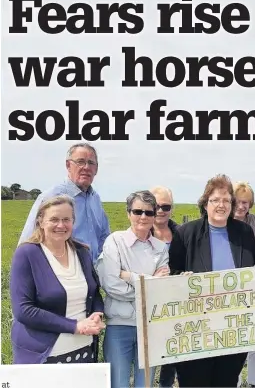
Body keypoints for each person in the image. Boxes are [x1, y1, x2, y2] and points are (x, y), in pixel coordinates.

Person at [169, 174, 255, 388]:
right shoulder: (186, 233)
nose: (221, 205)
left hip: (233, 328)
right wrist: (181, 279)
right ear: (205, 203)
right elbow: (173, 273)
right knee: (195, 381)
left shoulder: (244, 232)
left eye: (226, 200)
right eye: (215, 200)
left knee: (226, 381)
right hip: (196, 329)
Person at [10, 195, 105, 364]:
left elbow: (94, 292)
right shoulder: (27, 254)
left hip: (83, 349)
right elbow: (23, 310)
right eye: (54, 219)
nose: (61, 225)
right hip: (44, 355)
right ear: (40, 221)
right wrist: (74, 326)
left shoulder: (82, 252)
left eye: (66, 219)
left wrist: (97, 312)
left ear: (73, 222)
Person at [96, 190, 170, 388]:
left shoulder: (161, 248)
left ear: (155, 215)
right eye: (137, 211)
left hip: (150, 326)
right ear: (128, 213)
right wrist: (150, 284)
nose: (143, 217)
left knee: (144, 383)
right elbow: (112, 285)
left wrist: (129, 276)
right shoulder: (115, 241)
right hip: (120, 324)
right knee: (118, 383)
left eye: (149, 212)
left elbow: (161, 289)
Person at [18, 143, 110, 263]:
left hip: (92, 273)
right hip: (61, 272)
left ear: (96, 169)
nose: (86, 167)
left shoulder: (95, 199)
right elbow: (27, 242)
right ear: (68, 165)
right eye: (80, 162)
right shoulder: (52, 196)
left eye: (91, 163)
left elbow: (105, 238)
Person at [233, 181, 255, 388]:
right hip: (230, 289)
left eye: (246, 202)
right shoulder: (223, 222)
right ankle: (233, 380)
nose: (242, 206)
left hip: (254, 286)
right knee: (233, 338)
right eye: (238, 201)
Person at [150, 186, 179, 388]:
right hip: (150, 301)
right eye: (156, 206)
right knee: (151, 350)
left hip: (176, 300)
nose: (160, 211)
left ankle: (166, 384)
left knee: (173, 349)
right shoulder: (142, 231)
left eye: (165, 206)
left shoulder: (181, 233)